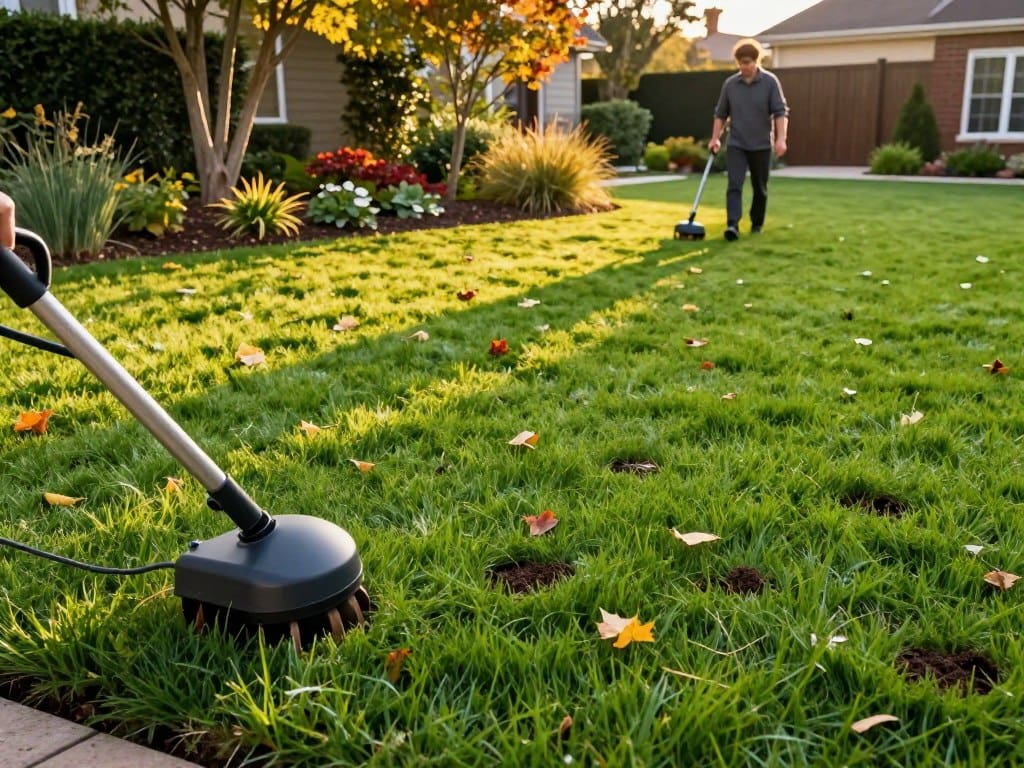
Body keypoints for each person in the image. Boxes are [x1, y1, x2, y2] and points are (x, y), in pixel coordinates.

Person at [708, 38, 789, 241]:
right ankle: (732, 225)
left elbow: (780, 112)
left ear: (756, 61)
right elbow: (720, 114)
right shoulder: (730, 85)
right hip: (737, 143)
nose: (744, 67)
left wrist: (781, 139)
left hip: (761, 144)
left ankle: (756, 224)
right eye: (741, 63)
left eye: (748, 62)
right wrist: (715, 138)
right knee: (734, 185)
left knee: (760, 188)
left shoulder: (770, 82)